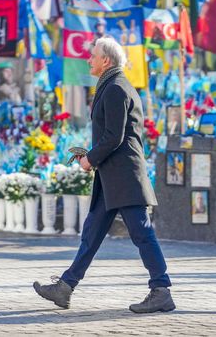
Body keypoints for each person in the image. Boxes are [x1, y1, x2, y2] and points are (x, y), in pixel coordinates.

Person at [33, 36, 175, 313]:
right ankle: (65, 287)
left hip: (124, 176)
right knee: (92, 233)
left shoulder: (116, 88)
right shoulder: (112, 85)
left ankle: (161, 289)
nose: (89, 59)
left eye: (93, 56)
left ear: (106, 60)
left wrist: (89, 159)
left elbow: (114, 137)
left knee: (142, 233)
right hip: (113, 177)